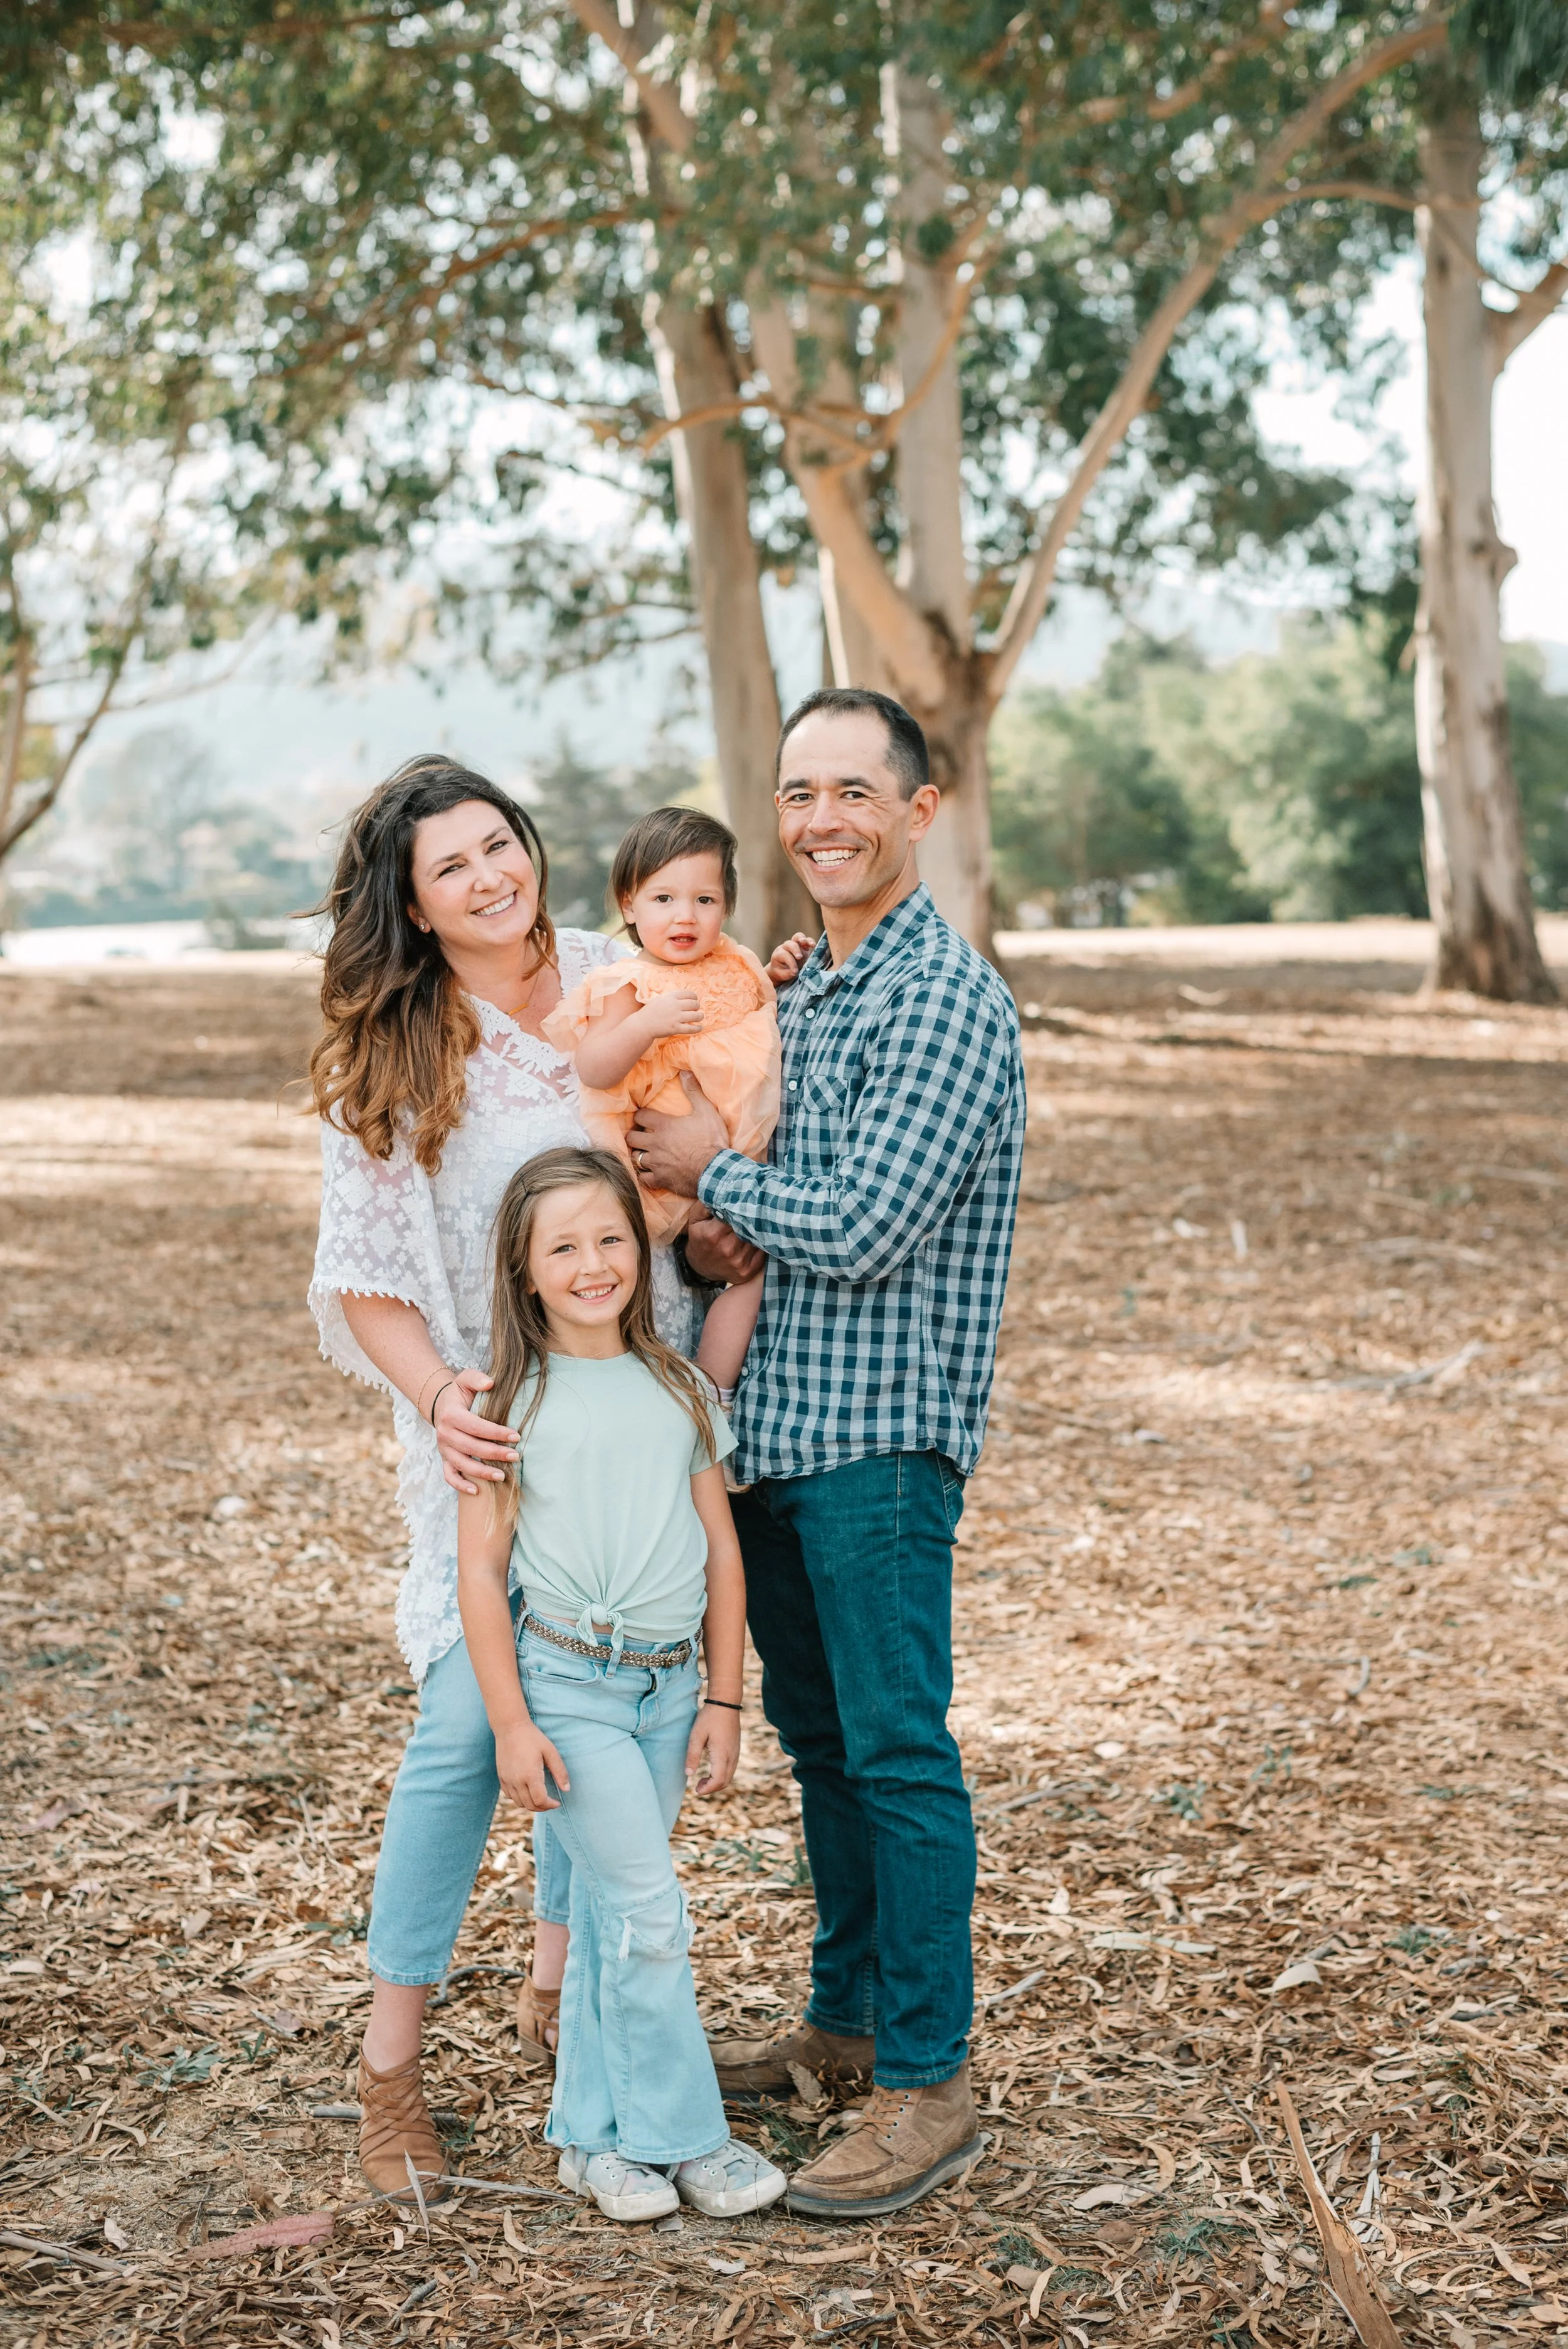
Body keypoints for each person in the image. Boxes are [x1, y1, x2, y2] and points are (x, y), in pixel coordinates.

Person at [306, 753, 756, 2204]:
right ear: (416, 907)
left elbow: (716, 1092)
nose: (494, 876)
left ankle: (568, 2006)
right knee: (461, 1732)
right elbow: (363, 1280)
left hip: (642, 1406)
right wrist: (442, 1396)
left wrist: (712, 1228)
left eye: (500, 844)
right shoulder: (399, 1051)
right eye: (454, 867)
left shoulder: (623, 977)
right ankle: (390, 2073)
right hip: (487, 1431)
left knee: (613, 1697)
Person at [628, 688, 1027, 2219]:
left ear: (919, 813)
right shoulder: (811, 987)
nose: (821, 821)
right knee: (825, 1749)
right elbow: (772, 1192)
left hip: (877, 1442)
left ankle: (930, 2083)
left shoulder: (942, 1000)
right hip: (772, 1435)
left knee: (899, 1751)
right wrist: (727, 1200)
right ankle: (847, 2025)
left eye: (856, 792)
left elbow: (864, 1221)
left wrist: (707, 1171)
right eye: (800, 794)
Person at [455, 1145, 786, 2222]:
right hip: (569, 1688)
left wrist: (726, 1699)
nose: (594, 1263)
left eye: (611, 1239)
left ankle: (593, 2140)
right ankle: (688, 2139)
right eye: (564, 1246)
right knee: (651, 1912)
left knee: (613, 1915)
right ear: (526, 1268)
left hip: (669, 1693)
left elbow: (723, 1554)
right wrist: (510, 1721)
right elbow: (480, 1570)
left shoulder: (678, 1386)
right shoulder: (511, 1403)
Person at [543, 806, 802, 1408]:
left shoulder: (734, 962)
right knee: (738, 1266)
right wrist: (645, 1026)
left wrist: (776, 975)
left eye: (704, 900)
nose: (685, 915)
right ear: (629, 905)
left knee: (748, 1272)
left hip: (738, 1157)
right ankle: (702, 1394)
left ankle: (712, 1393)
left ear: (726, 907)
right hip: (665, 1173)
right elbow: (594, 1065)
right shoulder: (626, 984)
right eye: (663, 898)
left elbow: (747, 1016)